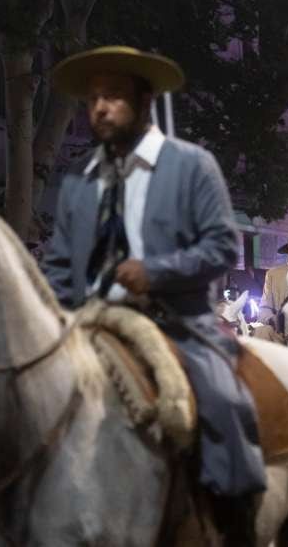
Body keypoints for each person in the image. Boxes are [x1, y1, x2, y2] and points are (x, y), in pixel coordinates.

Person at [44, 45, 265, 545]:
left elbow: (222, 245)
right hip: (89, 323)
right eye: (93, 98)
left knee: (224, 402)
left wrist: (157, 271)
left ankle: (234, 523)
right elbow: (59, 264)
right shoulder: (77, 178)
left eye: (114, 96)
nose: (100, 107)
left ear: (144, 102)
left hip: (176, 323)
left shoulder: (191, 165)